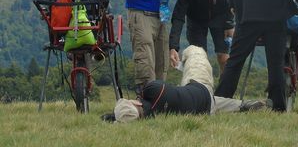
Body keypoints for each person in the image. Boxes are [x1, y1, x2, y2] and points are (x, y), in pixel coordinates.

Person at [106, 45, 266, 122]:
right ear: (135, 102)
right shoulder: (153, 90)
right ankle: (243, 105)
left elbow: (145, 108)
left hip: (203, 109)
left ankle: (242, 105)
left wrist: (116, 117)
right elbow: (154, 92)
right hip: (199, 87)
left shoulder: (153, 118)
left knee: (213, 102)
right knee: (194, 51)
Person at [169, 0, 235, 75]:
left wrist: (229, 24)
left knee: (224, 57)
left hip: (220, 17)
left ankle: (224, 90)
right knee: (199, 58)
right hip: (196, 20)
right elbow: (179, 14)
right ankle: (201, 89)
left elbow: (232, 0)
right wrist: (173, 46)